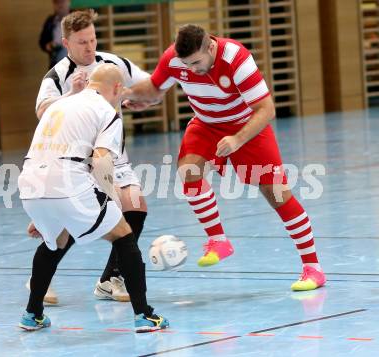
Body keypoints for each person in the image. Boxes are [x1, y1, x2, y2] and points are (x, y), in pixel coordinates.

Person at [123, 24, 326, 291]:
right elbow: (154, 87)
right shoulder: (175, 58)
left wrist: (238, 139)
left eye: (197, 63)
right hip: (206, 124)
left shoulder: (236, 59)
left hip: (247, 125)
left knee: (277, 195)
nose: (192, 70)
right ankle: (218, 240)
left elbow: (266, 109)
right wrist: (126, 95)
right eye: (187, 64)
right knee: (188, 171)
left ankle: (313, 268)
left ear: (210, 47)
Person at [18, 64, 169, 333]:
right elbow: (101, 161)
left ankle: (33, 314)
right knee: (123, 233)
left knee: (57, 241)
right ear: (116, 89)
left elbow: (44, 154)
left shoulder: (59, 106)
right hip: (66, 181)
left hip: (30, 183)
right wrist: (111, 201)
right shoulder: (107, 111)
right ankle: (145, 315)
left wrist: (41, 212)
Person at [30, 9, 151, 304]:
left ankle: (111, 279)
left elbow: (149, 84)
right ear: (66, 42)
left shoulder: (112, 64)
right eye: (82, 42)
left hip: (111, 155)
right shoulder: (58, 74)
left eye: (93, 39)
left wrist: (136, 96)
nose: (90, 47)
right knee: (71, 221)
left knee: (135, 206)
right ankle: (39, 279)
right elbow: (43, 112)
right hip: (75, 160)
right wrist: (71, 93)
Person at [39, 0, 70, 69]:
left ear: (68, 1)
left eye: (62, 1)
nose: (60, 5)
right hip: (56, 62)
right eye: (56, 2)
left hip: (77, 62)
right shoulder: (50, 21)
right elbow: (42, 42)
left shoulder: (78, 18)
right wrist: (49, 46)